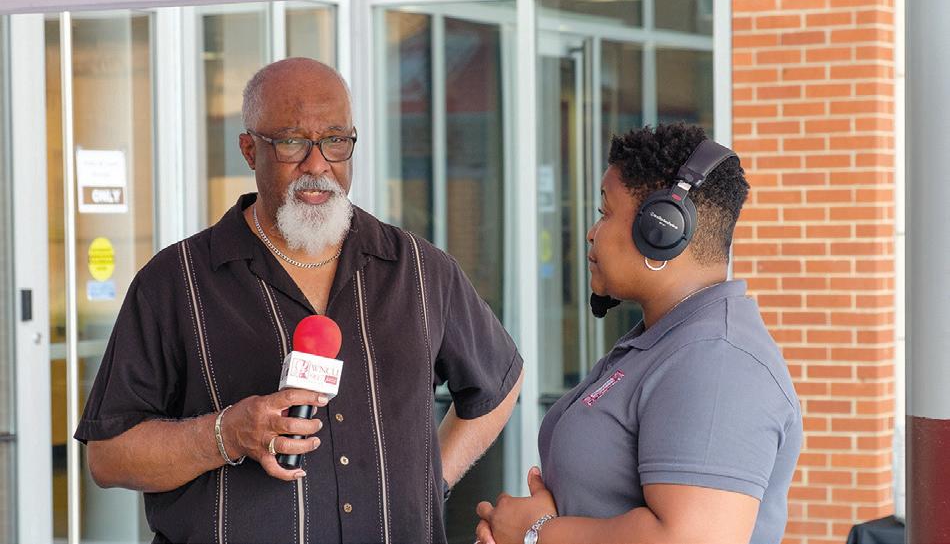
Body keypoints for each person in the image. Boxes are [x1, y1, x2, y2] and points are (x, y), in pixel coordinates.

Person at [74, 57, 524, 544]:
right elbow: (108, 455)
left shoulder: (418, 269)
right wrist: (227, 434)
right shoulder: (175, 281)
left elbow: (499, 383)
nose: (317, 165)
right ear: (250, 149)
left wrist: (429, 483)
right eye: (291, 142)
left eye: (335, 140)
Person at [475, 124, 802, 544]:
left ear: (662, 229)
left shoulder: (719, 361)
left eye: (605, 211)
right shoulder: (661, 341)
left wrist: (537, 533)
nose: (592, 232)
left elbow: (691, 540)